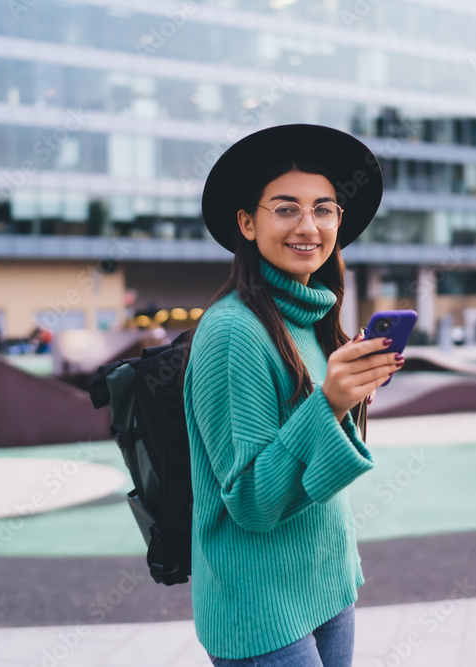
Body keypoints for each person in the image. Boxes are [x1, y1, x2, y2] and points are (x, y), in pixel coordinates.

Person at [181, 124, 401, 666]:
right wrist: (328, 404)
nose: (309, 226)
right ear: (247, 223)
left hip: (326, 583)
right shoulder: (233, 331)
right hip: (260, 609)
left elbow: (312, 459)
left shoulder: (312, 317)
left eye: (323, 209)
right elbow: (252, 502)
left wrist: (347, 398)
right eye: (286, 209)